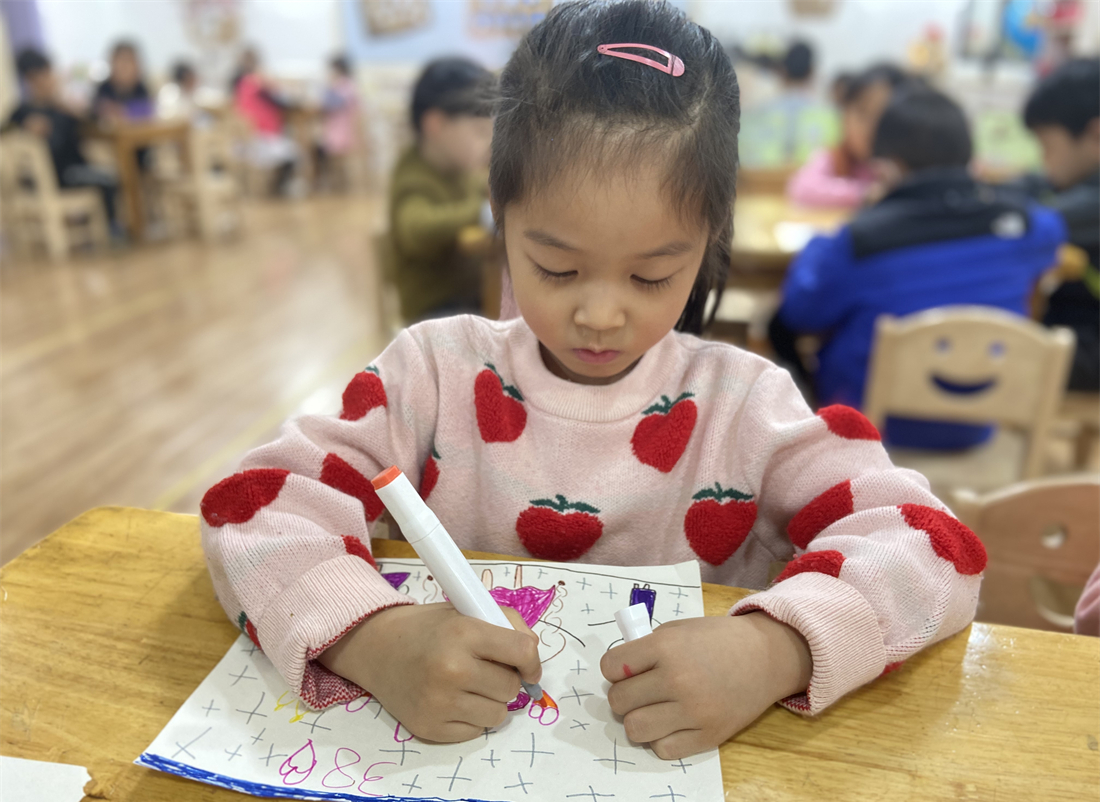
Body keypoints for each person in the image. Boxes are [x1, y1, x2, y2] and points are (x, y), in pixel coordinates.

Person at [200, 0, 987, 761]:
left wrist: (773, 648)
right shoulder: (432, 374)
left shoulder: (746, 407)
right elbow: (252, 507)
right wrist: (373, 637)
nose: (601, 315)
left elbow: (933, 546)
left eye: (651, 275)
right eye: (557, 266)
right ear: (500, 213)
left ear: (709, 237)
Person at [771, 86, 1065, 450]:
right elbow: (1053, 230)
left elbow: (800, 313)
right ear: (969, 159)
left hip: (871, 436)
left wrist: (819, 244)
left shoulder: (861, 241)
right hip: (977, 428)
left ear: (886, 167)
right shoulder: (1027, 228)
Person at [383, 56, 494, 321]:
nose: (490, 142)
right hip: (434, 311)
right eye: (480, 132)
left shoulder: (461, 169)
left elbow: (484, 187)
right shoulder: (412, 177)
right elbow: (416, 229)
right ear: (436, 124)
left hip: (469, 297)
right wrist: (483, 212)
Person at [1017, 57, 1100, 392]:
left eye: (1047, 146)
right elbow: (1035, 186)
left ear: (1095, 133)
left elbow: (1040, 218)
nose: (1044, 159)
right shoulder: (1072, 186)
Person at [5, 48, 120, 232]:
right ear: (30, 79)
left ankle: (97, 227)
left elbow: (95, 121)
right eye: (43, 75)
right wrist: (24, 129)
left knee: (108, 175)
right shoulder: (22, 112)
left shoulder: (62, 107)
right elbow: (5, 132)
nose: (50, 79)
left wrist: (76, 109)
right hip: (57, 175)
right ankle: (110, 230)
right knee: (107, 180)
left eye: (49, 73)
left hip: (73, 169)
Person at [787, 62, 909, 208]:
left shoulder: (905, 163)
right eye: (863, 113)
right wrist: (864, 193)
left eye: (883, 117)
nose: (871, 127)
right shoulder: (835, 157)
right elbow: (801, 188)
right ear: (845, 116)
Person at [232, 47, 297, 196]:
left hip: (245, 141)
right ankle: (277, 189)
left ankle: (273, 186)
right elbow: (283, 103)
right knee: (294, 154)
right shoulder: (258, 82)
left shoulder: (240, 84)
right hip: (261, 140)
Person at [316, 54, 361, 190]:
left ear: (338, 69)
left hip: (342, 132)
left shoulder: (343, 85)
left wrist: (329, 87)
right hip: (342, 130)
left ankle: (326, 183)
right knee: (319, 147)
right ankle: (329, 181)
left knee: (319, 149)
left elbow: (330, 104)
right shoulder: (348, 84)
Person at [92, 40, 153, 122]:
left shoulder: (141, 89)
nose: (125, 68)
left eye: (129, 62)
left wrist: (125, 111)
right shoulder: (104, 89)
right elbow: (95, 111)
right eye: (121, 62)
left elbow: (148, 110)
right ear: (112, 65)